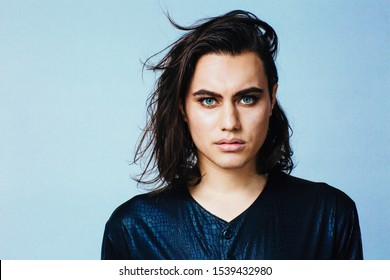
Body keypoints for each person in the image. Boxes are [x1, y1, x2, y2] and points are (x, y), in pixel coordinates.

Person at [101, 10, 363, 260]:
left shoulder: (328, 215)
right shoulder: (133, 228)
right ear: (182, 107)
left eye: (247, 99)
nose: (230, 123)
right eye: (208, 101)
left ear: (272, 99)